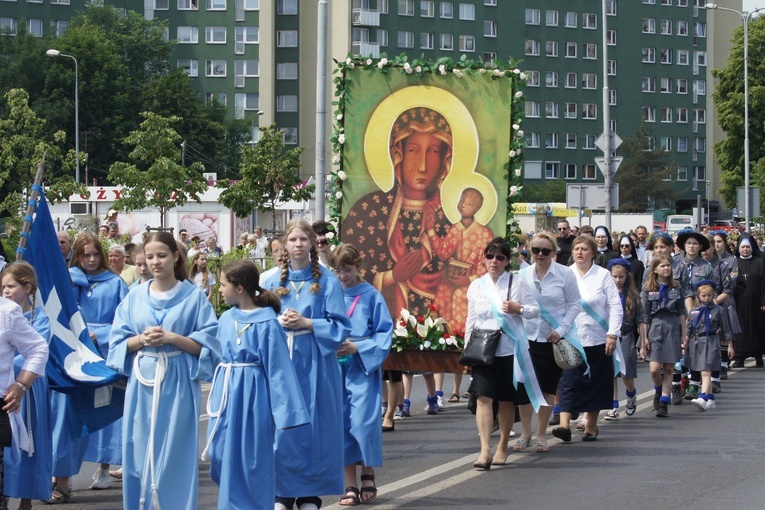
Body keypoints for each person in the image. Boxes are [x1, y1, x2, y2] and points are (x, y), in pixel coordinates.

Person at [107, 232, 220, 510]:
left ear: (175, 256)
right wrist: (141, 340)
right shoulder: (134, 297)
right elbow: (118, 342)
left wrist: (172, 338)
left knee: (175, 451)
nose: (155, 262)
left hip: (178, 378)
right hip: (142, 381)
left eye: (161, 255)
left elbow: (210, 346)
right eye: (150, 257)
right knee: (140, 448)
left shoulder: (193, 298)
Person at [204, 260, 309, 510]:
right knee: (220, 451)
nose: (219, 290)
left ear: (240, 288)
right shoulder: (226, 318)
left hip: (254, 396)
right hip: (227, 392)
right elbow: (214, 354)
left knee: (252, 457)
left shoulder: (268, 323)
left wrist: (286, 412)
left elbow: (279, 369)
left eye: (223, 284)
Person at [264, 219, 352, 510]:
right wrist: (277, 322)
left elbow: (340, 326)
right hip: (280, 361)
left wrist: (307, 322)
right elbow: (257, 319)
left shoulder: (327, 280)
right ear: (285, 245)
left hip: (314, 362)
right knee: (283, 427)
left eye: (304, 239)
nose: (298, 244)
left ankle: (310, 493)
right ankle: (283, 491)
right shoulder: (270, 280)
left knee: (314, 427)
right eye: (293, 240)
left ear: (312, 244)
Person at [342, 107, 454, 319]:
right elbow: (348, 272)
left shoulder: (451, 218)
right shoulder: (369, 211)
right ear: (397, 154)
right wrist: (392, 276)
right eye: (413, 150)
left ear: (445, 160)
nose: (422, 166)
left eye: (433, 152)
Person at [63, 233, 129, 495]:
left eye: (95, 254)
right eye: (85, 254)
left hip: (104, 351)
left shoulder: (114, 282)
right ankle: (64, 473)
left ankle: (104, 467)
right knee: (74, 411)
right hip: (76, 353)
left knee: (105, 408)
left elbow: (125, 320)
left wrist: (98, 334)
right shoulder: (69, 281)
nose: (91, 260)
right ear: (77, 255)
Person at [465, 237, 539, 469]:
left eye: (500, 257)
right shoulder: (476, 285)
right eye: (490, 256)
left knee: (506, 401)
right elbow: (471, 320)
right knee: (483, 398)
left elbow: (535, 311)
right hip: (483, 350)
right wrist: (467, 351)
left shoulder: (516, 283)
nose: (494, 261)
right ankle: (485, 450)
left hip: (509, 350)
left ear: (507, 261)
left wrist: (520, 309)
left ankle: (503, 445)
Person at [329, 245, 393, 506]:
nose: (343, 275)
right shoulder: (327, 294)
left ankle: (367, 473)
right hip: (334, 367)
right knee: (340, 424)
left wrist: (359, 347)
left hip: (361, 365)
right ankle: (349, 483)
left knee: (363, 423)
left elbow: (384, 332)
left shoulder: (371, 295)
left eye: (348, 269)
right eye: (338, 270)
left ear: (359, 268)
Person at [552, 235, 622, 442]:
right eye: (576, 249)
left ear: (592, 252)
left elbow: (615, 306)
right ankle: (564, 425)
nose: (579, 252)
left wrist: (612, 333)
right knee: (567, 381)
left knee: (595, 382)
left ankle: (591, 426)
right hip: (571, 338)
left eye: (584, 249)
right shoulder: (565, 274)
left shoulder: (602, 276)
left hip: (598, 337)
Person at [518, 232, 581, 452]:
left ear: (554, 252)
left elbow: (574, 305)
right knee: (526, 388)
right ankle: (525, 433)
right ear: (530, 250)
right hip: (527, 338)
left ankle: (541, 433)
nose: (540, 254)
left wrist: (561, 330)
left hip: (552, 339)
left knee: (546, 389)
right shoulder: (522, 275)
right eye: (536, 250)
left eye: (546, 251)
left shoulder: (564, 274)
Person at [1, 263, 52, 509]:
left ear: (27, 288)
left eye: (11, 286)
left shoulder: (36, 318)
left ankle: (26, 498)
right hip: (12, 380)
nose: (6, 291)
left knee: (26, 444)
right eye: (3, 287)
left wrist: (20, 381)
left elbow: (37, 349)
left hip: (25, 388)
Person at [641, 254, 687, 418]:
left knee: (668, 367)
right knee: (654, 369)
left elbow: (682, 311)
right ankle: (659, 390)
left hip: (673, 325)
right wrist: (644, 337)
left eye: (668, 265)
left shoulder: (677, 286)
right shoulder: (648, 288)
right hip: (656, 326)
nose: (666, 268)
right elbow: (645, 316)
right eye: (662, 266)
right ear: (654, 269)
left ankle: (664, 402)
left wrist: (684, 334)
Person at [676, 229, 718, 401]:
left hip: (699, 314)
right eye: (688, 243)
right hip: (678, 311)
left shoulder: (706, 267)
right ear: (683, 246)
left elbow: (711, 292)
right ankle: (678, 383)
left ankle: (695, 384)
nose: (691, 247)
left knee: (695, 349)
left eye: (695, 244)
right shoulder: (675, 264)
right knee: (680, 348)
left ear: (700, 247)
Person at [605, 259, 647, 420]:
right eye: (614, 276)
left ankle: (631, 395)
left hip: (626, 335)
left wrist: (642, 343)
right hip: (609, 336)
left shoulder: (633, 296)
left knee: (626, 374)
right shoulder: (606, 293)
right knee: (611, 373)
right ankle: (614, 406)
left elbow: (640, 321)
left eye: (621, 276)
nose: (617, 280)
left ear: (627, 277)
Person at [686, 280, 733, 411]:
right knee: (702, 369)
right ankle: (711, 398)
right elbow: (689, 329)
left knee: (706, 371)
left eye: (709, 295)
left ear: (713, 296)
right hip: (697, 342)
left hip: (711, 341)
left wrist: (730, 346)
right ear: (698, 296)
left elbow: (726, 329)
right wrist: (685, 343)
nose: (706, 298)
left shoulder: (719, 310)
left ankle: (703, 396)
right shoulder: (694, 311)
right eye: (703, 296)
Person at [710, 231, 741, 383]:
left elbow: (732, 282)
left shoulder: (731, 260)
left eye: (719, 241)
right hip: (707, 300)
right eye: (714, 242)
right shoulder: (707, 261)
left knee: (724, 331)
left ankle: (724, 363)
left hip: (724, 299)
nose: (716, 245)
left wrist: (716, 300)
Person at [732, 234, 765, 368]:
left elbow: (764, 283)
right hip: (739, 303)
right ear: (739, 249)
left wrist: (764, 301)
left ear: (752, 248)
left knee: (758, 328)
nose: (745, 249)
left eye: (747, 247)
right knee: (741, 329)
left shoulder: (760, 262)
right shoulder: (734, 262)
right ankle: (740, 357)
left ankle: (758, 356)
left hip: (757, 303)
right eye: (743, 247)